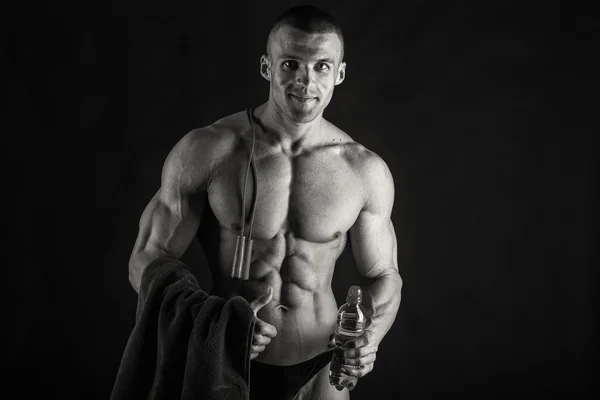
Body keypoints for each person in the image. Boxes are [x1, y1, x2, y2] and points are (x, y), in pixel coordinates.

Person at [128, 5, 402, 400]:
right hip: (225, 363)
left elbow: (385, 275)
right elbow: (146, 258)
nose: (306, 81)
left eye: (322, 66)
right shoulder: (208, 151)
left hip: (320, 367)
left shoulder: (365, 171)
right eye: (291, 63)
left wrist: (368, 337)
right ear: (266, 67)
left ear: (339, 73)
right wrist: (214, 326)